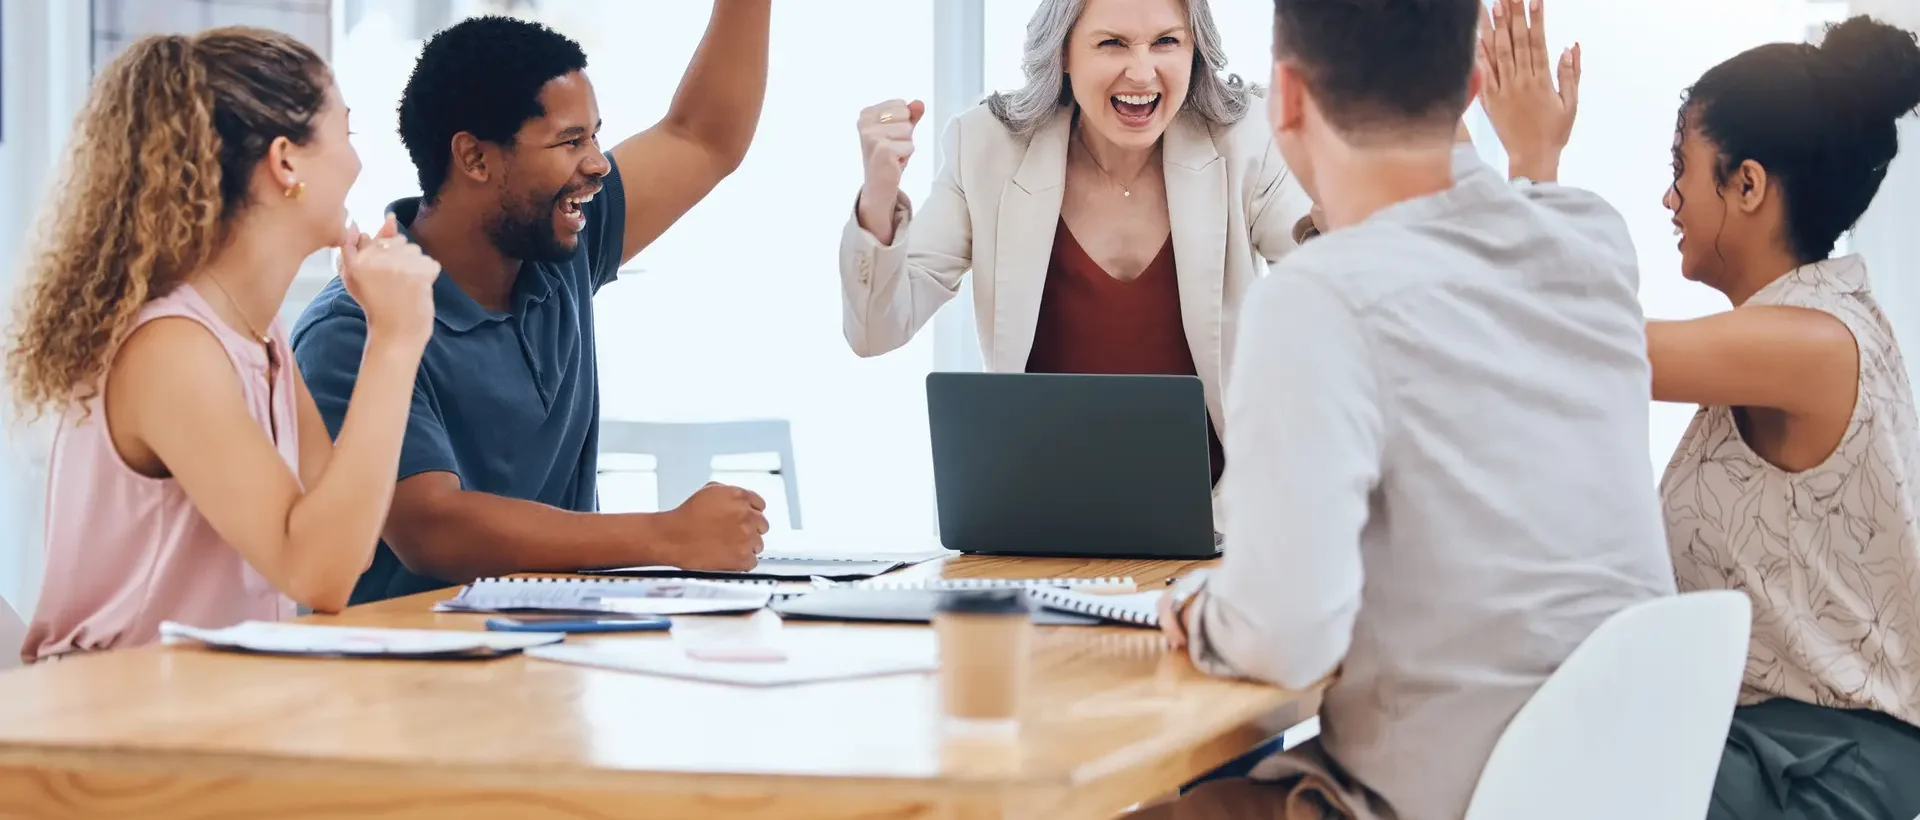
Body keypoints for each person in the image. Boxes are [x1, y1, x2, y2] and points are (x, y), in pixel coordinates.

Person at [1137, 0, 1677, 817]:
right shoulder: (1595, 241)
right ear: (1470, 91)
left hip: (1440, 798)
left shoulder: (1322, 297)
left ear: (1284, 98)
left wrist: (1202, 614)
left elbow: (1286, 638)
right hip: (1623, 782)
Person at [1483, 6, 1920, 818]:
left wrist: (1532, 155)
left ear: (1747, 185)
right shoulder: (1806, 328)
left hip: (1825, 775)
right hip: (1773, 751)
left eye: (1682, 167)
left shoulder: (1813, 342)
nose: (1668, 196)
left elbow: (1564, 342)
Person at [292, 5, 773, 604]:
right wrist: (662, 534)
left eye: (595, 135)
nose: (598, 163)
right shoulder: (351, 329)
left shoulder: (557, 244)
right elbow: (432, 528)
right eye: (570, 141)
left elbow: (702, 137)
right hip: (409, 672)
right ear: (474, 158)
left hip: (555, 659)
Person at [7, 29, 440, 663]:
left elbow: (348, 540)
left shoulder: (260, 337)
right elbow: (319, 573)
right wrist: (395, 341)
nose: (358, 163)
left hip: (209, 709)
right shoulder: (171, 349)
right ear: (286, 161)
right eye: (345, 134)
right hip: (112, 724)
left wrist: (389, 331)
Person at [841, 0, 1314, 497]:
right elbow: (876, 330)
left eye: (1166, 42)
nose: (1142, 71)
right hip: (1035, 515)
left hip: (1216, 521)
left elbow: (1329, 292)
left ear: (1195, 50)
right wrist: (878, 196)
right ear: (1064, 52)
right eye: (1112, 43)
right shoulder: (987, 146)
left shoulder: (1246, 143)